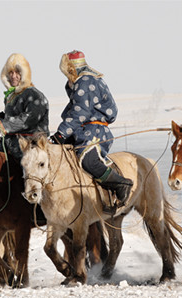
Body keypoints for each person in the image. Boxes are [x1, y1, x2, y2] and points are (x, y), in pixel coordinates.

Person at [49, 50, 132, 205]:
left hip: (94, 131)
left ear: (71, 68)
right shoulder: (85, 81)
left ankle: (121, 183)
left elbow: (81, 111)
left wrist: (61, 133)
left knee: (88, 161)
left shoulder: (85, 81)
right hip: (82, 130)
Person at [0, 53, 49, 160]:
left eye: (17, 72)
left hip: (32, 146)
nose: (13, 76)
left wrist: (6, 124)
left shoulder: (33, 94)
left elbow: (30, 119)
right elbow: (16, 116)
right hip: (11, 144)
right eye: (11, 72)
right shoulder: (11, 96)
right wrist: (2, 118)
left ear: (24, 74)